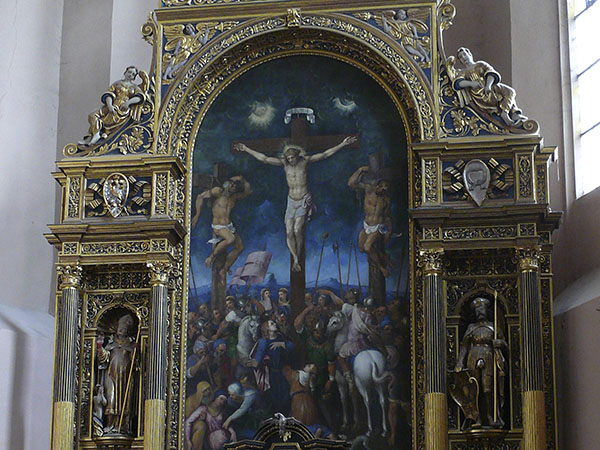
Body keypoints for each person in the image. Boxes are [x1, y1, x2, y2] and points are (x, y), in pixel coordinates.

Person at [235, 136, 357, 272]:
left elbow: (325, 154)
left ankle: (298, 257)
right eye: (288, 159)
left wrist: (342, 144)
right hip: (291, 201)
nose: (290, 160)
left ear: (297, 156)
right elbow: (264, 159)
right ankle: (296, 259)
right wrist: (246, 149)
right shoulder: (285, 165)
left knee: (298, 229)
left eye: (292, 158)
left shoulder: (305, 162)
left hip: (303, 199)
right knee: (288, 231)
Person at [454, 297, 507, 428]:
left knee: (488, 388)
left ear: (486, 310)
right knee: (474, 389)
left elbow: (505, 344)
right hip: (474, 356)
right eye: (477, 309)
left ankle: (490, 416)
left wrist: (500, 343)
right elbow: (464, 346)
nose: (479, 311)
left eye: (481, 308)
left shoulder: (493, 326)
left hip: (489, 356)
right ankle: (477, 418)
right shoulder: (471, 327)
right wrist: (460, 362)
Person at [192, 175, 252, 280]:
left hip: (229, 226)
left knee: (240, 247)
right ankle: (211, 257)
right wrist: (197, 214)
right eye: (232, 184)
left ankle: (225, 268)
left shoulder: (234, 197)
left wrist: (241, 178)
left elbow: (249, 190)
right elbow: (200, 197)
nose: (233, 187)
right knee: (231, 239)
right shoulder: (218, 192)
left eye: (236, 186)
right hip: (218, 226)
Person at [452, 47, 527, 127]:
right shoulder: (463, 72)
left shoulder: (480, 64)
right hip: (480, 94)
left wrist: (488, 85)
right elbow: (458, 83)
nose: (463, 57)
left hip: (490, 87)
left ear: (469, 54)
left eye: (464, 54)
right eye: (460, 57)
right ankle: (507, 113)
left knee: (510, 92)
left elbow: (490, 72)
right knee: (503, 95)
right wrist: (471, 84)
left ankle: (510, 113)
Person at [80, 66, 148, 145]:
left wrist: (128, 103)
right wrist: (109, 105)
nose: (130, 75)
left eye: (133, 74)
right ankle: (95, 134)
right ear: (125, 72)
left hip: (123, 108)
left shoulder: (134, 87)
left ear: (134, 77)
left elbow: (140, 97)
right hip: (113, 104)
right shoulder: (117, 84)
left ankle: (100, 133)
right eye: (129, 72)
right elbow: (109, 94)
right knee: (92, 115)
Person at [348, 165, 393, 277]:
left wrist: (389, 233)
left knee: (368, 247)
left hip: (378, 226)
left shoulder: (386, 200)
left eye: (386, 186)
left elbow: (387, 217)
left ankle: (382, 268)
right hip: (367, 225)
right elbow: (351, 184)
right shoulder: (368, 191)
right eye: (381, 185)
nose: (383, 188)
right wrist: (359, 170)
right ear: (376, 185)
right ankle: (384, 256)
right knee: (361, 248)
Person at [96, 314, 137, 434]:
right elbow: (104, 358)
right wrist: (100, 348)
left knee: (126, 400)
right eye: (120, 328)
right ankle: (110, 424)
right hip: (111, 375)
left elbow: (136, 362)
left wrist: (135, 353)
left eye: (123, 329)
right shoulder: (111, 344)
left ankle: (124, 426)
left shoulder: (130, 344)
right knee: (111, 398)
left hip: (126, 377)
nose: (121, 330)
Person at [252, 319, 294, 414]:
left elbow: (292, 346)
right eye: (271, 323)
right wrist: (255, 363)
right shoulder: (264, 341)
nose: (274, 324)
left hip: (283, 371)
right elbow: (258, 357)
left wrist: (281, 344)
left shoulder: (280, 336)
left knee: (286, 396)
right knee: (275, 397)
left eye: (273, 323)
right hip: (272, 374)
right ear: (266, 328)